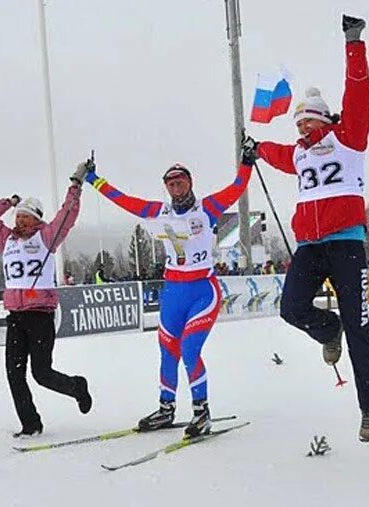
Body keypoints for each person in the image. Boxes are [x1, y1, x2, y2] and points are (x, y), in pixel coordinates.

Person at [244, 15, 369, 442]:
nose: (303, 128)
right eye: (300, 123)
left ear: (324, 120)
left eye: (309, 121)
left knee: (359, 324)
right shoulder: (301, 154)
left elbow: (360, 93)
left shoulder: (348, 138)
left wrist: (353, 43)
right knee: (291, 308)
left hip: (345, 243)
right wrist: (256, 150)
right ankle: (328, 331)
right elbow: (278, 153)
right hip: (310, 246)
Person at [81, 151, 254, 437]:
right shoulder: (160, 213)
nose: (176, 188)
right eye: (171, 184)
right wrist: (94, 180)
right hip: (173, 292)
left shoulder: (206, 208)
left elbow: (237, 188)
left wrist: (247, 162)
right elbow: (124, 201)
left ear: (190, 182)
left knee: (189, 349)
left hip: (202, 291)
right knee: (167, 352)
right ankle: (166, 408)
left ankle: (202, 412)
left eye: (180, 182)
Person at [0, 163, 93, 437]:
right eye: (18, 217)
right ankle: (31, 424)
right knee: (14, 374)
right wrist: (9, 202)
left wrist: (75, 185)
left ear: (37, 220)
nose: (19, 221)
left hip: (41, 314)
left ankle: (77, 386)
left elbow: (67, 215)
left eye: (26, 217)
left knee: (41, 373)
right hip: (16, 317)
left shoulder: (46, 237)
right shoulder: (5, 239)